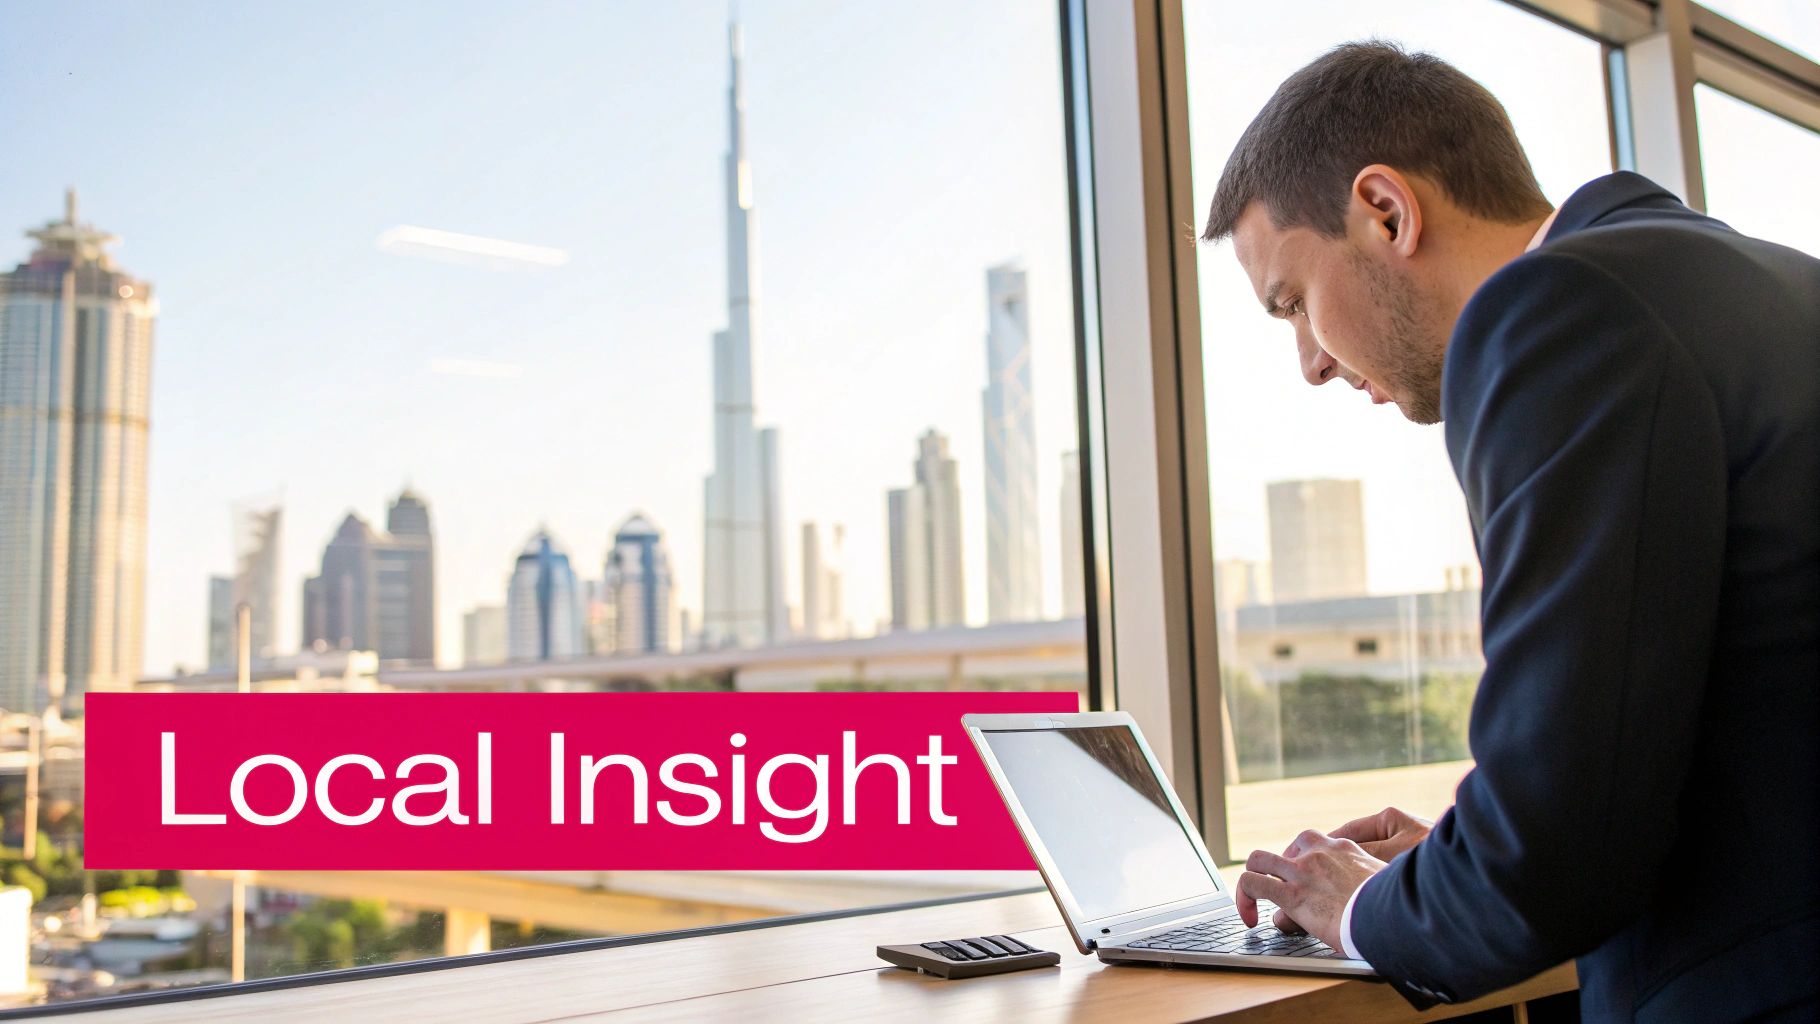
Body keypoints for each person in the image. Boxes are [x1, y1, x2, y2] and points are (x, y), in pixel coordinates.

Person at [1200, 41, 1820, 1022]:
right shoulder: (1762, 277)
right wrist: (1453, 859)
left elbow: (1557, 851)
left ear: (1384, 211)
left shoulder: (1554, 312)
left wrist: (1357, 900)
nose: (1308, 363)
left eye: (1291, 302)